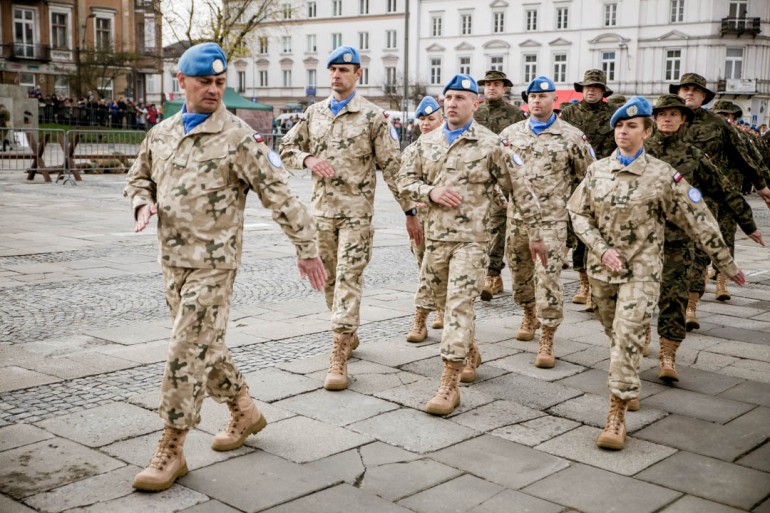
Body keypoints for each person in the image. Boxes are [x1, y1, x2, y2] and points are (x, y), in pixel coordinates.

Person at [123, 42, 326, 491]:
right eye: (204, 82)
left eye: (219, 82)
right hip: (172, 263)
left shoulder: (237, 137)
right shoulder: (161, 133)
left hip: (214, 265)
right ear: (182, 83)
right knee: (205, 346)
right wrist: (142, 203)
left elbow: (279, 193)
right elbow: (138, 176)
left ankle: (171, 448)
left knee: (183, 350)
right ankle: (244, 410)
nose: (214, 89)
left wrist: (306, 247)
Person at [568, 97, 746, 450]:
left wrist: (726, 263)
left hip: (642, 272)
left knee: (629, 333)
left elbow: (699, 218)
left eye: (632, 126)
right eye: (619, 125)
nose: (623, 131)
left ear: (646, 132)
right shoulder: (597, 170)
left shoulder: (664, 176)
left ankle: (617, 414)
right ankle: (629, 372)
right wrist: (601, 249)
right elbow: (578, 214)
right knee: (615, 335)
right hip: (602, 274)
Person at [398, 74, 547, 415]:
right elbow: (404, 180)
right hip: (435, 240)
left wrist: (536, 234)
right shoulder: (425, 143)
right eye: (447, 97)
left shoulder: (492, 144)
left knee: (459, 306)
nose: (451, 103)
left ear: (475, 104)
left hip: (472, 242)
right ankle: (470, 349)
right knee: (442, 303)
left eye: (460, 98)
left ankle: (449, 383)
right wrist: (429, 192)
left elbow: (520, 189)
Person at [280, 46, 422, 391]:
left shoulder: (373, 117)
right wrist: (307, 160)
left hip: (357, 218)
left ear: (358, 74)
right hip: (321, 217)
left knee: (347, 279)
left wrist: (410, 212)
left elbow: (392, 167)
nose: (336, 75)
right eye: (332, 70)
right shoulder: (313, 113)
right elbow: (285, 149)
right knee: (328, 281)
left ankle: (338, 354)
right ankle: (347, 330)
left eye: (344, 70)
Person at [644, 94, 763, 382]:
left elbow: (724, 190)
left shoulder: (693, 156)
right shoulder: (640, 152)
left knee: (673, 298)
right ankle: (640, 339)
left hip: (678, 240)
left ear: (683, 119)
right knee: (639, 299)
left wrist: (748, 224)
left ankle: (668, 355)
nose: (667, 119)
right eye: (662, 114)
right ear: (655, 119)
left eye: (674, 114)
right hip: (641, 242)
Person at [499, 76, 594, 368]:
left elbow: (588, 178)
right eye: (532, 97)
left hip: (552, 221)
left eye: (543, 97)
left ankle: (548, 336)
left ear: (554, 100)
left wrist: (577, 212)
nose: (537, 101)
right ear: (527, 101)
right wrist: (499, 200)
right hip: (517, 221)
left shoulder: (572, 136)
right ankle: (529, 313)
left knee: (549, 278)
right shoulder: (510, 133)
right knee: (520, 274)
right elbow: (495, 171)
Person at [670, 73, 770, 329]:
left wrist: (761, 185)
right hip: (667, 202)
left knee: (698, 254)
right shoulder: (666, 120)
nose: (689, 93)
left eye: (695, 90)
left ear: (704, 96)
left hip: (705, 199)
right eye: (685, 89)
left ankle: (690, 307)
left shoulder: (717, 124)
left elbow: (741, 155)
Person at [560, 70, 618, 312]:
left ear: (603, 91)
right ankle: (583, 283)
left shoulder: (612, 116)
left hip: (604, 182)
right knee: (578, 232)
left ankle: (598, 286)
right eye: (587, 87)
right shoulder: (569, 113)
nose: (590, 90)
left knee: (602, 232)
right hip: (575, 182)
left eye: (595, 87)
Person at [474, 70, 527, 301]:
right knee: (480, 226)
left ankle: (492, 274)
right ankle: (484, 272)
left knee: (497, 225)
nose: (491, 88)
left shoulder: (515, 115)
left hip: (504, 177)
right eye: (488, 84)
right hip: (479, 178)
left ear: (504, 88)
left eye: (496, 84)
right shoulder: (476, 112)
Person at [406, 96, 445, 343]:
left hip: (446, 221)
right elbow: (403, 184)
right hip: (422, 219)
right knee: (423, 266)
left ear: (441, 119)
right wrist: (412, 205)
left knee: (440, 268)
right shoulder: (412, 150)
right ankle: (426, 315)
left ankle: (431, 314)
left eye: (431, 119)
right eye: (422, 119)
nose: (426, 124)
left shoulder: (451, 148)